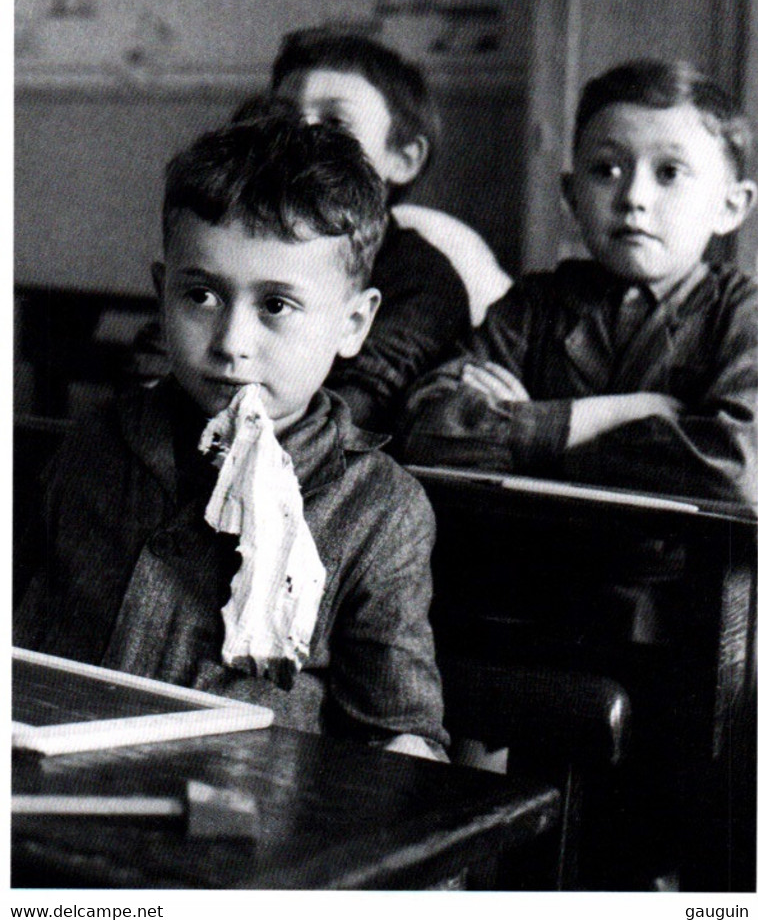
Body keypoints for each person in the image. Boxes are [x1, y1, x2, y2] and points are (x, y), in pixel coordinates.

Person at [14, 99, 449, 762]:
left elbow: (397, 733)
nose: (232, 343)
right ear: (163, 293)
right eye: (201, 295)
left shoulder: (378, 509)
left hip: (243, 828)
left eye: (276, 305)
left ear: (353, 323)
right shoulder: (96, 443)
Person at [401, 59, 758, 507]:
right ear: (571, 195)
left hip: (680, 576)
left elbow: (740, 469)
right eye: (606, 170)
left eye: (669, 173)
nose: (633, 198)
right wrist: (603, 416)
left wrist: (537, 442)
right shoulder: (535, 305)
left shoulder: (741, 314)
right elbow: (428, 431)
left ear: (732, 206)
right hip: (533, 561)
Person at [266, 27, 475, 432]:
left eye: (336, 123)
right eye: (281, 118)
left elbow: (353, 416)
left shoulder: (424, 281)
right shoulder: (240, 245)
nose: (300, 137)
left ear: (403, 158)